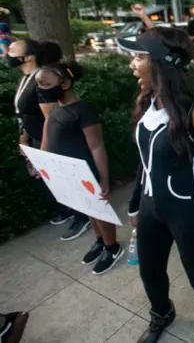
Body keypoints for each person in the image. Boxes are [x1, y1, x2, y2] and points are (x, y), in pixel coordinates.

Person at [117, 26, 194, 343]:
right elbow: (145, 161)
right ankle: (161, 312)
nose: (132, 64)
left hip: (187, 212)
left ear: (162, 63)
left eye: (139, 56)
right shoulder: (145, 107)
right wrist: (136, 203)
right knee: (149, 271)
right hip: (152, 210)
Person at [35, 61, 123, 274]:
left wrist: (103, 178)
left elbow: (97, 146)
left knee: (99, 210)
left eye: (46, 84)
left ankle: (112, 246)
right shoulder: (56, 107)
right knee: (86, 208)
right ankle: (101, 240)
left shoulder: (82, 110)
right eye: (39, 84)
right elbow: (48, 129)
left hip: (86, 170)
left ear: (65, 83)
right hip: (68, 170)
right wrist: (42, 160)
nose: (41, 89)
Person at [6, 39, 90, 239]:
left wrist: (45, 149)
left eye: (11, 50)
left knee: (65, 180)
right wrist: (24, 138)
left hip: (50, 141)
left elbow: (50, 119)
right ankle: (70, 210)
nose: (6, 53)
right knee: (53, 182)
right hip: (35, 138)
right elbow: (24, 113)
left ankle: (83, 216)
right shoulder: (26, 78)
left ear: (27, 57)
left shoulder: (41, 81)